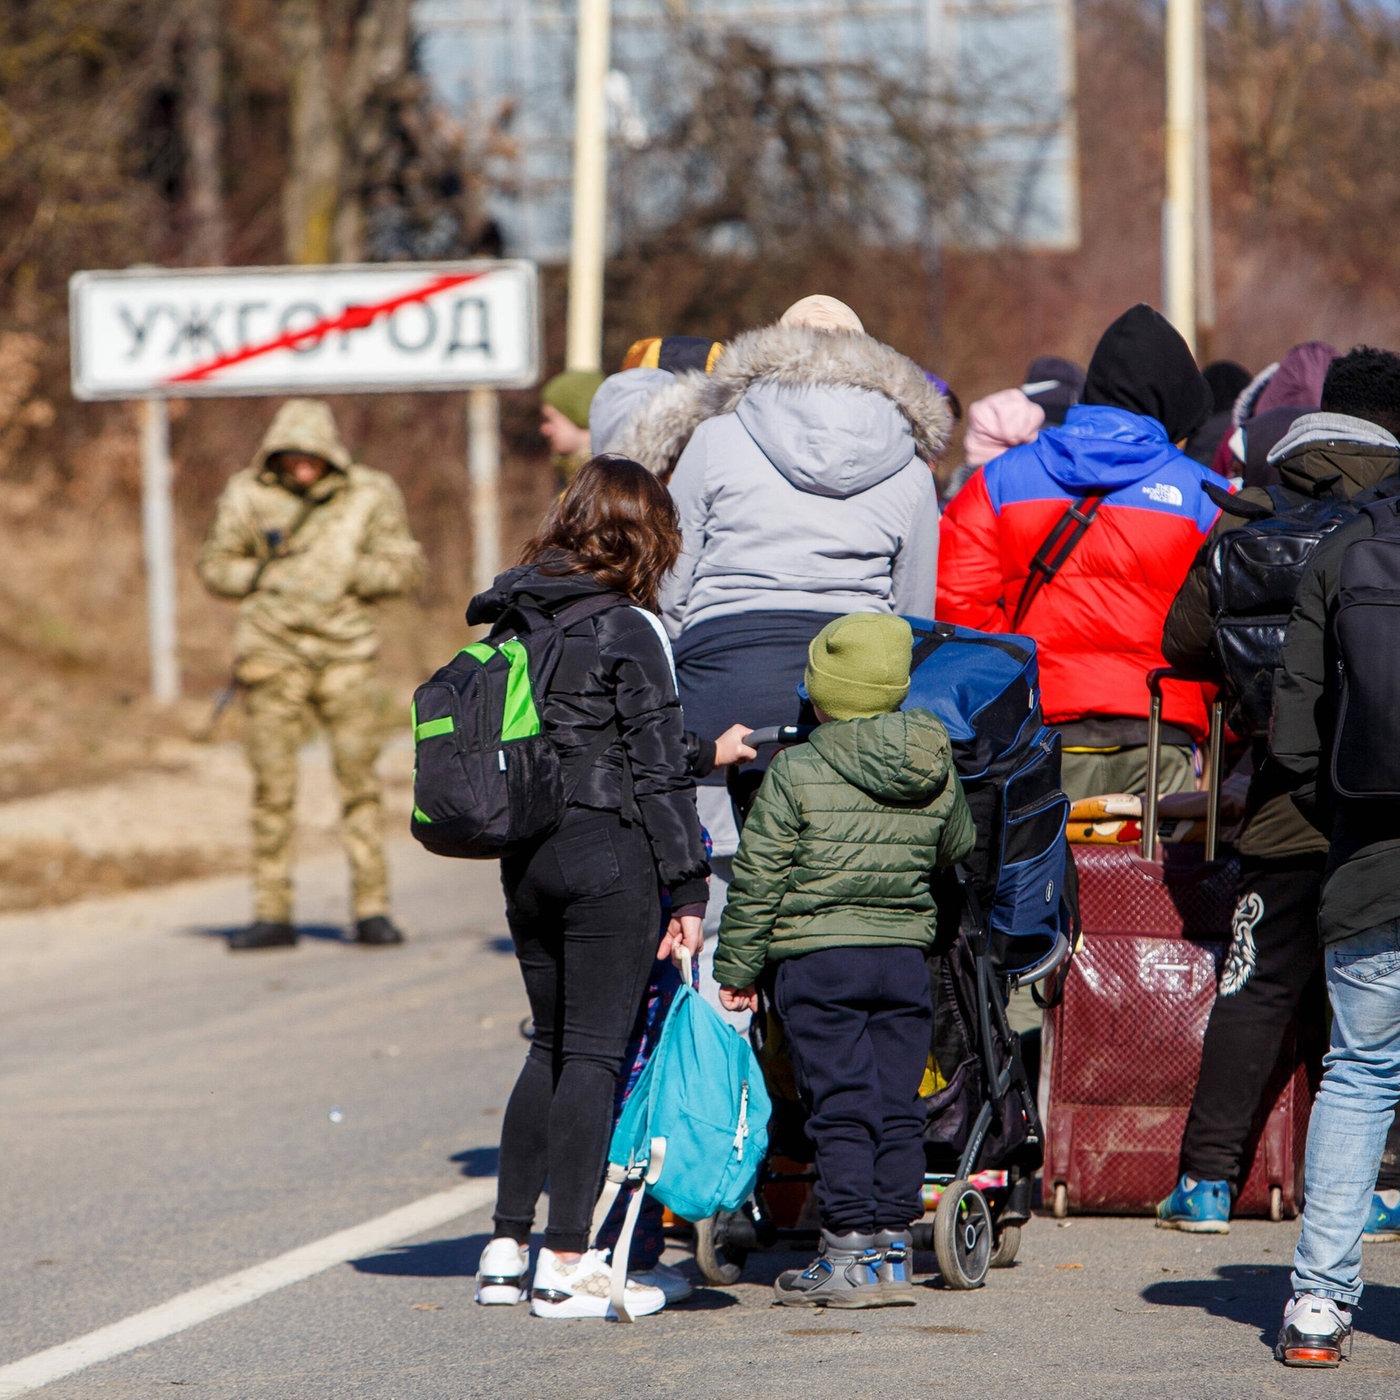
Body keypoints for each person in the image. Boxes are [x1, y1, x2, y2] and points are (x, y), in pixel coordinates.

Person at [622, 293, 951, 1004]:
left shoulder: (717, 436)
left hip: (724, 678)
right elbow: (912, 613)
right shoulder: (912, 463)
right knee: (832, 897)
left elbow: (673, 581)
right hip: (845, 695)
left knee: (713, 902)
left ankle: (718, 1084)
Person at [1158, 346, 1400, 1236]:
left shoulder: (1251, 508)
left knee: (1256, 983)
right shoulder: (1392, 521)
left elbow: (1182, 640)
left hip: (1283, 799)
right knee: (1379, 1004)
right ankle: (1378, 1192)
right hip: (1382, 807)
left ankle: (1208, 1182)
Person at [468, 456, 711, 1321]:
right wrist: (688, 890)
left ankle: (505, 1247)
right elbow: (651, 774)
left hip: (525, 855)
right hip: (609, 856)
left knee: (549, 1045)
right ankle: (568, 1260)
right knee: (596, 1057)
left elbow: (565, 739)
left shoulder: (512, 613)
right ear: (649, 536)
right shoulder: (630, 627)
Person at [715, 613, 975, 1308]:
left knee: (838, 1105)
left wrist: (736, 970)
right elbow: (958, 845)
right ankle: (892, 1250)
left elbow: (759, 877)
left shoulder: (796, 768)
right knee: (897, 1103)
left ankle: (845, 1250)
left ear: (820, 693)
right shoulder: (933, 757)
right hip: (901, 958)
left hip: (818, 962)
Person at [938, 303, 1220, 802]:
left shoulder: (996, 482)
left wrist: (1011, 699)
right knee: (1153, 878)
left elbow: (958, 607)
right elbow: (1225, 627)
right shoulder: (1209, 496)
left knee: (1044, 876)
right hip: (1162, 730)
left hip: (1041, 732)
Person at [1269, 354, 1400, 1364]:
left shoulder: (1342, 547)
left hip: (1370, 854)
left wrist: (1344, 810)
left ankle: (1315, 1305)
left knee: (1356, 1072)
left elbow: (1293, 740)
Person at [197, 398, 425, 950]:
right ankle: (272, 911)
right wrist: (269, 574)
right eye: (292, 458)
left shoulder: (369, 493)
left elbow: (406, 565)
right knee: (272, 788)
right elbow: (215, 566)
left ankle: (372, 909)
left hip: (346, 654)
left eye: (313, 458)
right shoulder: (247, 494)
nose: (303, 468)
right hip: (271, 655)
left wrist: (346, 572)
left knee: (359, 783)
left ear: (331, 456)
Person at [539, 369, 606, 484]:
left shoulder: (607, 483)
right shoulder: (577, 475)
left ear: (580, 415)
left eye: (550, 420)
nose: (544, 429)